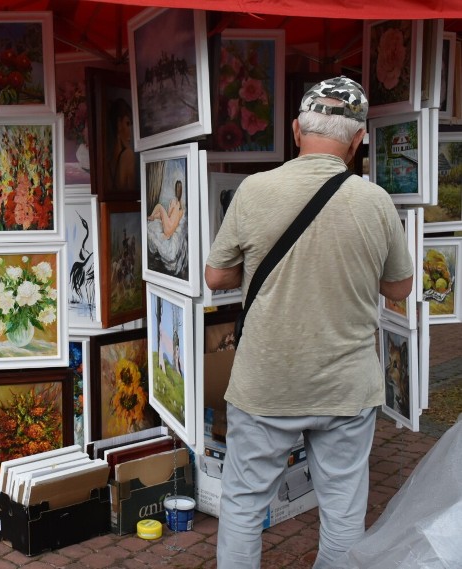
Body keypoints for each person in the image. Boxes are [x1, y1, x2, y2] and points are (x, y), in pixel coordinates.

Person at [204, 76, 414, 569]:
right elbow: (400, 288)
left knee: (242, 505)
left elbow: (216, 277)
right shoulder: (376, 202)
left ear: (296, 130)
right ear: (358, 139)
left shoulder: (254, 191)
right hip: (346, 386)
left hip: (267, 383)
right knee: (343, 512)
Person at [106, 97, 136, 196]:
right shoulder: (128, 155)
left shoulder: (108, 164)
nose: (130, 132)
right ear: (119, 124)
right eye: (127, 124)